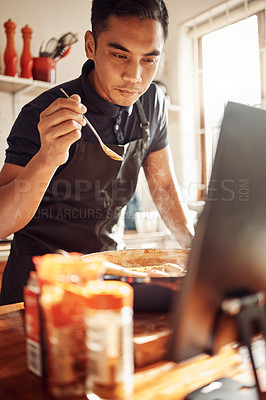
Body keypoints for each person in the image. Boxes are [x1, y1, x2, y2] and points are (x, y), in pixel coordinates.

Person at [0, 0, 194, 305]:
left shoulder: (154, 101)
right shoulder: (41, 113)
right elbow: (2, 222)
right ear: (90, 45)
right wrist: (48, 157)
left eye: (149, 60)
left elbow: (165, 187)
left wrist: (196, 251)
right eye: (120, 55)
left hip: (109, 279)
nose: (135, 76)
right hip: (39, 287)